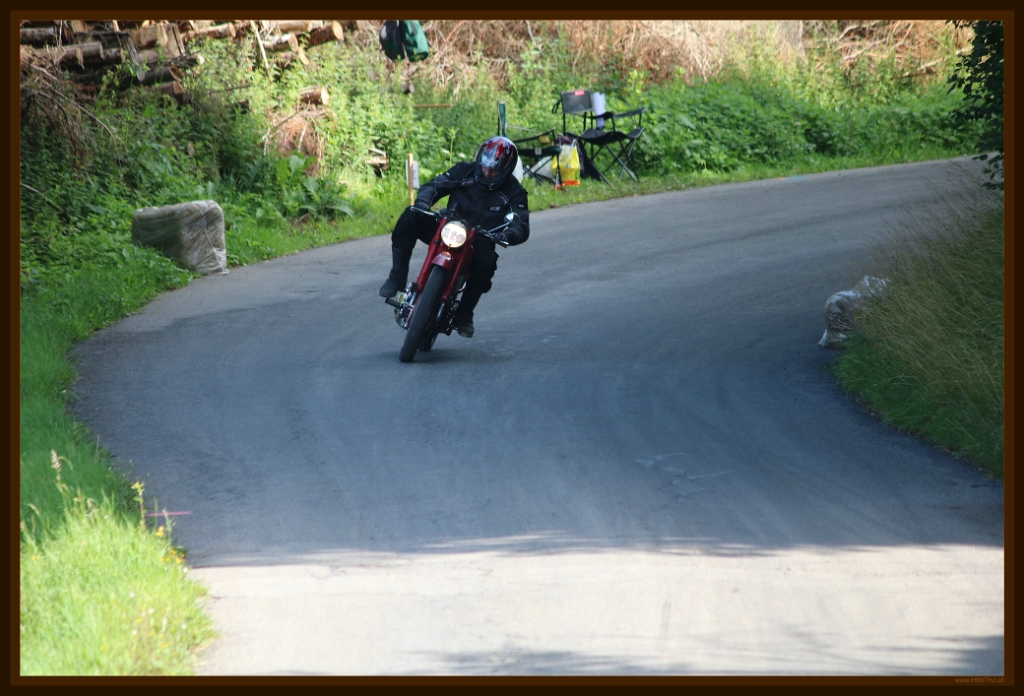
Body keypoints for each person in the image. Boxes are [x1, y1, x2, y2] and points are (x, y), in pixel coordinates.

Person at [379, 135, 530, 338]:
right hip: (447, 227)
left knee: (487, 262)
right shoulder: (464, 171)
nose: (487, 172)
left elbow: (521, 223)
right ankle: (397, 276)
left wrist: (507, 234)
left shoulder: (515, 192)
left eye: (493, 170)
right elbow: (435, 185)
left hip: (480, 240)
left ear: (506, 170)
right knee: (411, 215)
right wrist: (424, 202)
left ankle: (464, 314)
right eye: (485, 166)